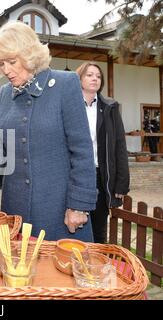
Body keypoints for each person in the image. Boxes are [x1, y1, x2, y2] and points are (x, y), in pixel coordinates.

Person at [0, 21, 97, 241]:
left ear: (29, 54)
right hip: (16, 210)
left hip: (58, 210)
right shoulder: (5, 93)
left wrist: (79, 205)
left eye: (12, 62)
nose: (6, 70)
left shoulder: (65, 84)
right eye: (1, 64)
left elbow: (82, 150)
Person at [76, 61, 130, 243]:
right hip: (76, 175)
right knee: (75, 226)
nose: (94, 79)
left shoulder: (110, 107)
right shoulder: (70, 106)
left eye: (98, 76)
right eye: (89, 75)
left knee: (99, 230)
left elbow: (120, 145)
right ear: (80, 78)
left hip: (100, 175)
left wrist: (122, 183)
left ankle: (95, 266)